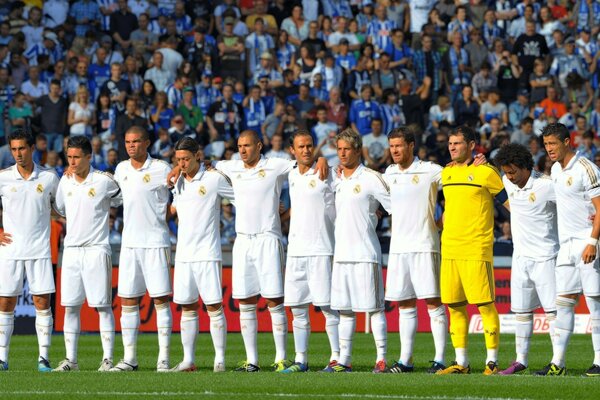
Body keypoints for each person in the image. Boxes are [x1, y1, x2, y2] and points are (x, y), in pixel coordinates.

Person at [437, 125, 509, 375]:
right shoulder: (446, 173)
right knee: (455, 306)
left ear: (471, 145)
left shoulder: (486, 172)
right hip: (450, 249)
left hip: (476, 248)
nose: (452, 147)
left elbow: (510, 203)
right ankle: (461, 363)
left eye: (457, 143)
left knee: (485, 305)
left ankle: (491, 362)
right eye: (450, 143)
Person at [52, 136, 122, 372]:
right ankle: (71, 360)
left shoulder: (103, 181)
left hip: (96, 249)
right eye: (69, 157)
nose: (72, 161)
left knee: (102, 306)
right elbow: (59, 209)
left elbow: (124, 198)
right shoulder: (65, 182)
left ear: (88, 157)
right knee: (70, 307)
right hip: (71, 251)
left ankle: (107, 359)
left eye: (76, 157)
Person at [382, 127, 448, 374]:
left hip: (424, 245)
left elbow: (456, 186)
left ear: (411, 146)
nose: (395, 151)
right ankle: (405, 360)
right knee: (405, 304)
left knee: (433, 301)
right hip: (398, 249)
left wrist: (445, 220)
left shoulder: (430, 170)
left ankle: (440, 358)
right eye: (391, 147)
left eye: (399, 146)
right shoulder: (388, 174)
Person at [536, 123, 600, 377]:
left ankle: (599, 361)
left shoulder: (587, 168)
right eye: (546, 145)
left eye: (553, 144)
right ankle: (558, 362)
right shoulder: (554, 170)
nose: (549, 149)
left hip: (588, 244)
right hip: (566, 247)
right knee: (563, 303)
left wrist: (593, 242)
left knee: (595, 304)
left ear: (567, 141)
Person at [110, 126, 173, 372]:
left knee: (160, 300)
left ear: (147, 143)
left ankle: (164, 359)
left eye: (136, 141)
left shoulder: (161, 168)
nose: (131, 145)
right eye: (127, 141)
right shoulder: (121, 169)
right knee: (127, 300)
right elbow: (113, 198)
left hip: (156, 241)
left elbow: (180, 194)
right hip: (129, 244)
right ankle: (130, 359)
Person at [328, 128, 391, 373]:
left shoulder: (371, 178)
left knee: (375, 309)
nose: (342, 154)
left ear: (357, 150)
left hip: (366, 253)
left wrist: (377, 216)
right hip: (341, 254)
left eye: (347, 149)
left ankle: (381, 359)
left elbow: (394, 204)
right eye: (339, 149)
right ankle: (344, 360)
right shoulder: (334, 178)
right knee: (344, 310)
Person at [169, 137, 234, 373]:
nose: (182, 164)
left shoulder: (214, 178)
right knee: (187, 307)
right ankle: (188, 360)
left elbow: (241, 197)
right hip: (184, 254)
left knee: (214, 306)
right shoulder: (178, 182)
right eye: (178, 160)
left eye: (186, 159)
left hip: (207, 253)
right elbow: (174, 209)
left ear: (198, 155)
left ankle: (219, 360)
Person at [492, 143, 558, 375]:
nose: (509, 177)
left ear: (524, 167)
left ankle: (557, 362)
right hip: (520, 258)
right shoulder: (506, 181)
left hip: (546, 257)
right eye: (506, 172)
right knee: (521, 312)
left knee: (553, 312)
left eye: (512, 172)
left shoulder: (547, 185)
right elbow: (496, 188)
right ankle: (521, 360)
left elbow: (572, 205)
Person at [0, 129, 59, 372]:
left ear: (32, 148)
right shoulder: (3, 177)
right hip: (10, 248)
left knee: (41, 301)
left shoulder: (49, 177)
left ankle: (43, 358)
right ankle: (2, 358)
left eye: (22, 148)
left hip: (39, 248)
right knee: (5, 303)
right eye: (13, 149)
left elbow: (61, 207)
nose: (18, 154)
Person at [280, 130, 339, 373]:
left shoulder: (326, 172)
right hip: (295, 250)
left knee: (328, 307)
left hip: (321, 248)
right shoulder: (291, 174)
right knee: (298, 308)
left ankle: (337, 358)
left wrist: (325, 159)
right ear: (292, 151)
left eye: (309, 146)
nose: (306, 150)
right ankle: (300, 360)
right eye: (301, 147)